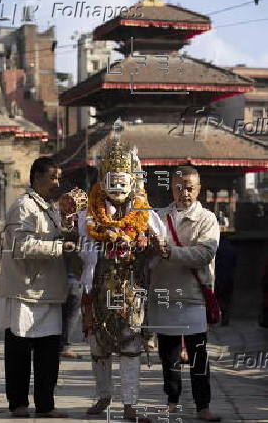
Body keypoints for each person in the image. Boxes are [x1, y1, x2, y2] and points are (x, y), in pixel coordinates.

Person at [78, 138, 165, 423]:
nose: (117, 188)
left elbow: (159, 248)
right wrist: (105, 239)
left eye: (122, 181)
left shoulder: (145, 212)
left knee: (130, 346)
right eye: (111, 182)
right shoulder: (88, 214)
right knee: (97, 344)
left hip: (131, 288)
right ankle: (103, 394)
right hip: (98, 286)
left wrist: (145, 242)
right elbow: (80, 247)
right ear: (102, 180)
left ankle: (130, 403)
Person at [0, 157, 74, 418]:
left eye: (58, 178)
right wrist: (58, 247)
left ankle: (46, 404)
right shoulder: (23, 207)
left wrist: (69, 228)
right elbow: (21, 246)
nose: (56, 183)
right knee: (19, 352)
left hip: (50, 290)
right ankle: (18, 403)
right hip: (24, 291)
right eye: (52, 178)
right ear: (36, 177)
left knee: (49, 354)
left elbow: (56, 236)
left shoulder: (50, 208)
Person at [148, 165, 221, 422]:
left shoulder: (207, 219)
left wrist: (169, 252)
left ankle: (203, 405)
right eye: (179, 187)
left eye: (189, 188)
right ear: (171, 188)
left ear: (198, 189)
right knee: (168, 356)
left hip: (192, 295)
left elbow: (204, 253)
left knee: (198, 354)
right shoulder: (156, 216)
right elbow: (147, 254)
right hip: (164, 293)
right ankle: (172, 400)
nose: (184, 193)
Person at [59, 187, 88, 358]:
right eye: (67, 202)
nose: (69, 205)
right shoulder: (54, 217)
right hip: (56, 271)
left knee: (72, 307)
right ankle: (61, 344)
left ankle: (65, 344)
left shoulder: (83, 221)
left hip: (75, 272)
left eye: (73, 204)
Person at [215, 234, 237, 326]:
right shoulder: (233, 249)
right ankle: (226, 318)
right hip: (230, 277)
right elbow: (235, 263)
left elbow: (216, 263)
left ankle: (222, 316)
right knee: (227, 298)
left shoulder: (218, 249)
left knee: (219, 298)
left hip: (220, 277)